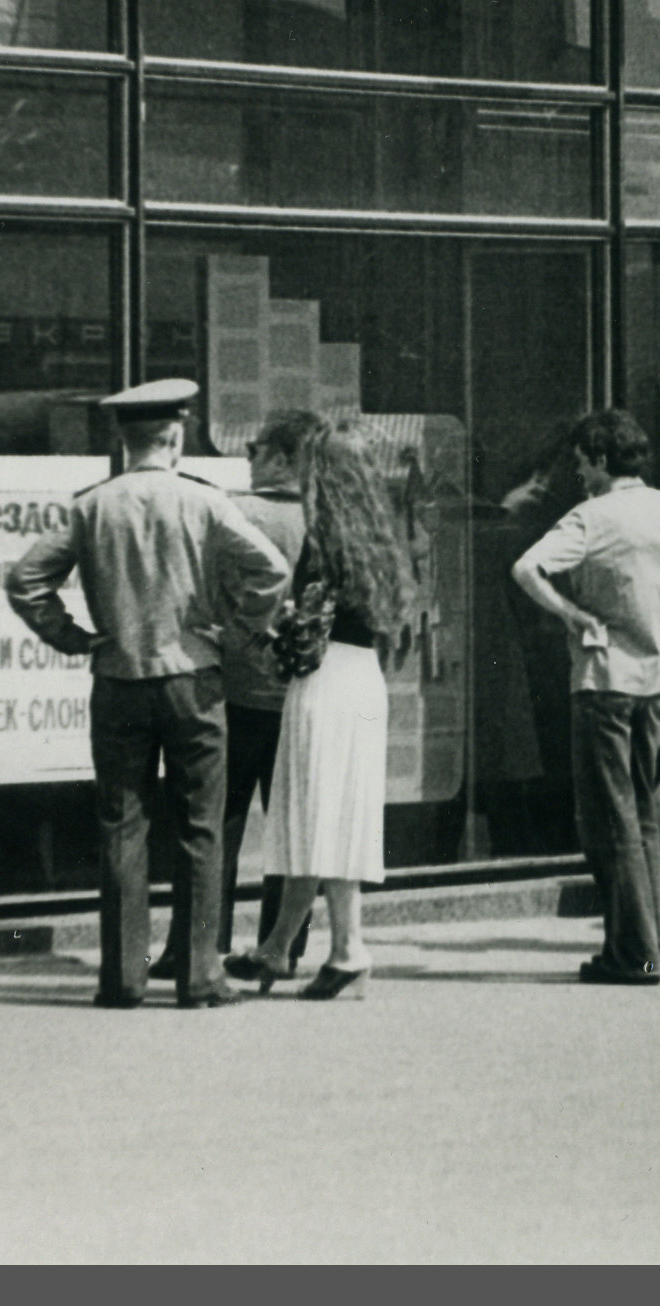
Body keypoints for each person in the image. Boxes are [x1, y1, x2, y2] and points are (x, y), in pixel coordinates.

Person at [6, 379, 292, 1009]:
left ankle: (123, 979)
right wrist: (239, 629)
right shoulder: (205, 503)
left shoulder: (92, 506)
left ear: (123, 438)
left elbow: (25, 580)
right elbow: (271, 569)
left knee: (122, 827)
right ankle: (198, 977)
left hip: (118, 681)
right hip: (193, 677)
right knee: (201, 828)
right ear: (175, 435)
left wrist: (76, 639)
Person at [512, 408, 660, 986]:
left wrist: (574, 614)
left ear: (597, 458)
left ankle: (635, 952)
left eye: (580, 462)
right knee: (639, 815)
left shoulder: (591, 516)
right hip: (657, 678)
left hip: (604, 679)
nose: (577, 473)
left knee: (609, 820)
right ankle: (646, 946)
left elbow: (527, 568)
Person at [228, 423, 415, 1000]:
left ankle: (309, 949)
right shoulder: (383, 539)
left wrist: (265, 626)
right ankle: (323, 949)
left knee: (312, 816)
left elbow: (302, 625)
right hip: (364, 681)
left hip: (325, 682)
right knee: (335, 819)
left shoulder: (324, 541)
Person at [150, 409, 319, 982]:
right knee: (290, 828)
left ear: (281, 456)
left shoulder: (235, 512)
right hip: (298, 695)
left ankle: (195, 947)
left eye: (255, 447)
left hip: (232, 691)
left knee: (211, 824)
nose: (247, 456)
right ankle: (283, 946)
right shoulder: (324, 521)